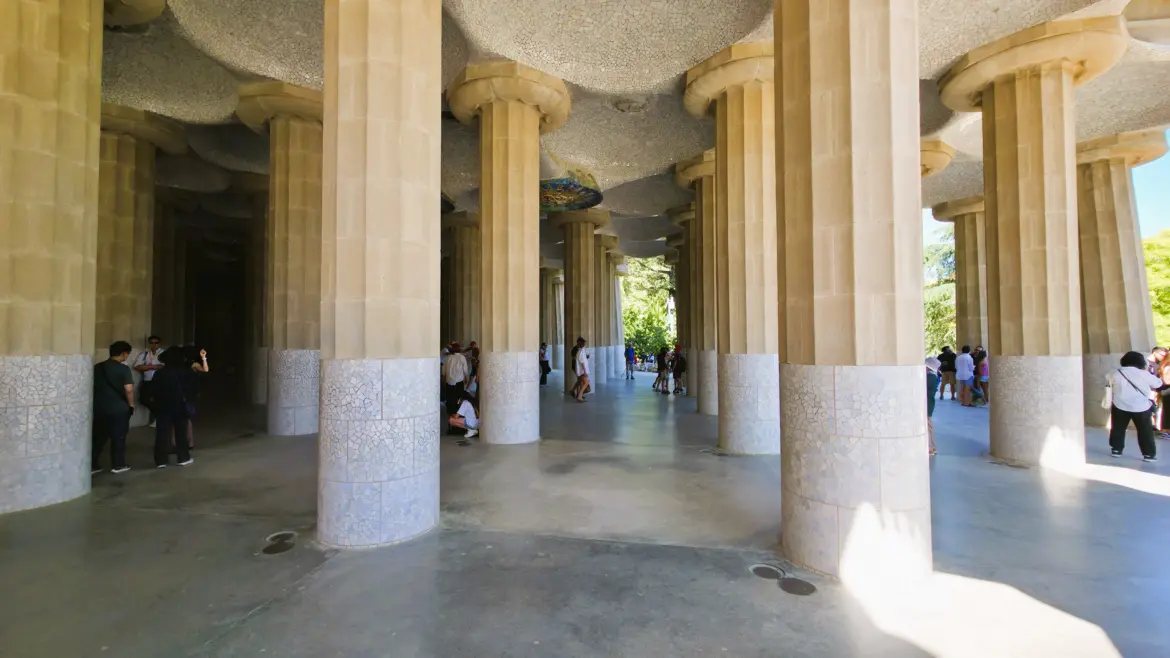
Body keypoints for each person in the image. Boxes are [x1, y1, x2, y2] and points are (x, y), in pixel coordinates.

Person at [1106, 351, 1161, 462]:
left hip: (1119, 404)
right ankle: (1148, 454)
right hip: (1141, 406)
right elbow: (1158, 384)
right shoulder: (1143, 374)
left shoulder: (1116, 373)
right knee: (1145, 431)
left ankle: (1116, 449)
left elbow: (1110, 385)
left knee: (1118, 428)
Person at [92, 341, 136, 474]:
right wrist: (131, 405)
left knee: (98, 437)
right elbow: (128, 389)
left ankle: (92, 465)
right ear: (124, 353)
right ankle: (118, 465)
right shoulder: (124, 369)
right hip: (118, 408)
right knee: (119, 437)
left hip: (99, 407)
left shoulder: (97, 367)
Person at [151, 347, 194, 468]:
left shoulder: (160, 373)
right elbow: (193, 389)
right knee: (181, 432)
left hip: (163, 406)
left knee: (162, 433)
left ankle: (160, 460)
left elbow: (153, 390)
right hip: (180, 406)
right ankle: (183, 457)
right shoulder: (187, 372)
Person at [132, 335, 164, 427]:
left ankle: (157, 419)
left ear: (159, 343)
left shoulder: (163, 353)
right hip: (147, 380)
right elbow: (137, 366)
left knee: (159, 399)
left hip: (159, 381)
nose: (154, 345)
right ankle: (159, 416)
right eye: (152, 342)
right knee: (143, 399)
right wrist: (154, 367)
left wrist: (146, 367)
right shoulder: (144, 354)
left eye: (156, 342)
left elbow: (163, 366)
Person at [442, 342, 470, 413]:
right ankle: (458, 416)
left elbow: (444, 373)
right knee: (459, 400)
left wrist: (444, 382)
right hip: (459, 383)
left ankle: (450, 418)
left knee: (450, 401)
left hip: (449, 383)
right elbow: (465, 371)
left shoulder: (447, 358)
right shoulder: (462, 358)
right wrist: (467, 379)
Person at [925, 357, 941, 456]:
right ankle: (931, 447)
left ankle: (931, 447)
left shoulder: (930, 377)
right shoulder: (932, 376)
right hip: (928, 404)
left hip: (927, 404)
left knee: (928, 426)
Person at [571, 337, 590, 402]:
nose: (584, 344)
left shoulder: (582, 350)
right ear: (579, 342)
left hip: (580, 369)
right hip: (580, 370)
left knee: (580, 381)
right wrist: (585, 371)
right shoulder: (579, 350)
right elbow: (581, 361)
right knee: (585, 382)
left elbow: (586, 358)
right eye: (583, 342)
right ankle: (579, 396)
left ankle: (576, 393)